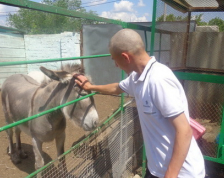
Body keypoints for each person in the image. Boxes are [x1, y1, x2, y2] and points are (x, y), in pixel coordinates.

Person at [75, 29, 205, 178]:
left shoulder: (159, 80)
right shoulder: (137, 77)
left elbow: (184, 131)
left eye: (114, 60)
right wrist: (90, 87)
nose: (116, 65)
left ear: (125, 57)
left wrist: (170, 175)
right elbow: (117, 87)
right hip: (157, 168)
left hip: (181, 173)